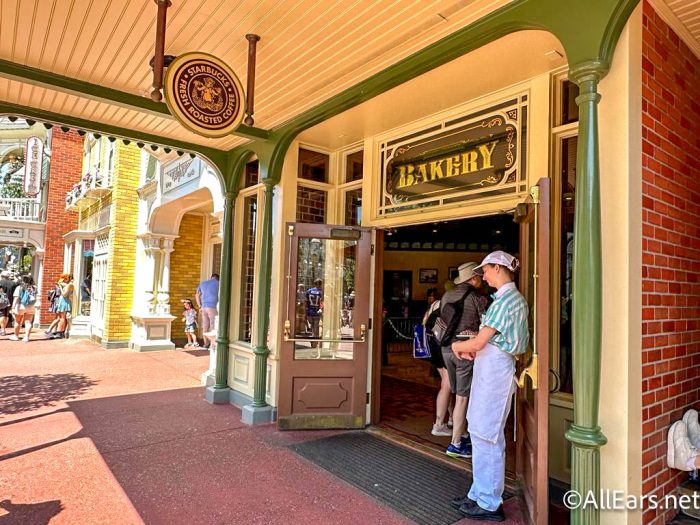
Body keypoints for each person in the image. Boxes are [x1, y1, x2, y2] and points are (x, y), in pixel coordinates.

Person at [451, 251, 528, 522]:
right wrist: (475, 349)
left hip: (496, 373)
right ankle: (479, 492)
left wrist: (457, 346)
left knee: (487, 436)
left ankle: (489, 502)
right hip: (492, 368)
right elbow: (492, 342)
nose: (483, 275)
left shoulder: (505, 301)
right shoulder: (509, 300)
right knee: (481, 432)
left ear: (498, 268)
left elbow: (478, 342)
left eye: (486, 269)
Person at [439, 262, 490, 459]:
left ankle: (461, 433)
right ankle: (456, 443)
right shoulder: (476, 297)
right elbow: (486, 323)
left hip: (446, 350)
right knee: (463, 397)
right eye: (479, 276)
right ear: (474, 278)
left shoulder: (446, 295)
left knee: (455, 391)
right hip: (464, 351)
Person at [423, 288, 454, 437]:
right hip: (442, 349)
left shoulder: (433, 306)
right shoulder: (447, 306)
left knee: (446, 385)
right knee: (447, 386)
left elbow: (423, 324)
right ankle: (439, 424)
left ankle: (452, 418)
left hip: (433, 348)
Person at [9, 275, 37, 342]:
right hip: (31, 306)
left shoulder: (19, 287)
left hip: (20, 306)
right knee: (28, 322)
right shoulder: (34, 288)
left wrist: (13, 307)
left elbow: (16, 298)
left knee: (18, 322)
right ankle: (26, 337)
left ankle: (16, 336)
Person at [196, 273, 219, 349]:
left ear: (211, 277)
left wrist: (200, 306)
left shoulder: (203, 283)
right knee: (213, 325)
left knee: (205, 326)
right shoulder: (219, 283)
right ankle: (212, 345)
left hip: (203, 306)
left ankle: (205, 344)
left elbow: (197, 295)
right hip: (213, 306)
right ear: (217, 278)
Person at [51, 273, 74, 339]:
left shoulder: (69, 285)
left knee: (62, 318)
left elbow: (64, 294)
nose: (63, 280)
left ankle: (60, 332)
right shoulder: (67, 285)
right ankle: (60, 331)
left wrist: (60, 287)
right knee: (61, 317)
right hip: (63, 301)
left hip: (64, 301)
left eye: (65, 279)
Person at [306, 279, 323, 346]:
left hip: (309, 311)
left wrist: (305, 311)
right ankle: (314, 342)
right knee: (316, 327)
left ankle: (312, 339)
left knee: (311, 327)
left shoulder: (308, 291)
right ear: (320, 284)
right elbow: (322, 302)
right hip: (317, 311)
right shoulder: (321, 292)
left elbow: (306, 302)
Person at [0, 270, 18, 336]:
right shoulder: (13, 283)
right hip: (9, 301)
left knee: (1, 315)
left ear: (2, 276)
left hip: (0, 301)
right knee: (6, 315)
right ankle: (3, 328)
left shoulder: (0, 282)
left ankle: (2, 330)